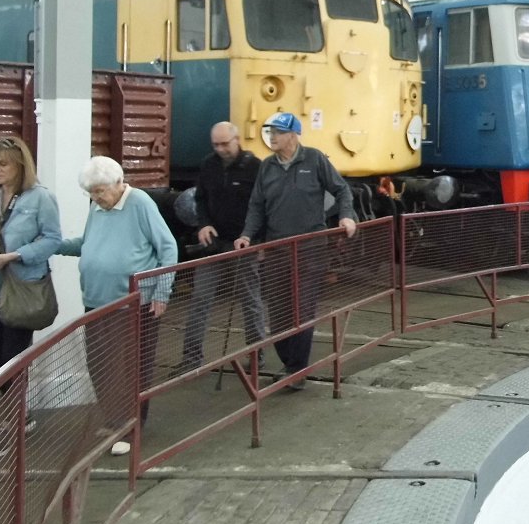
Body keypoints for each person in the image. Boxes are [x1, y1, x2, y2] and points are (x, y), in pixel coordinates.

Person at [59, 156, 177, 455]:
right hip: (96, 301)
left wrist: (162, 292)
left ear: (117, 182)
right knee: (100, 365)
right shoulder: (98, 207)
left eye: (99, 191)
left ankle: (130, 425)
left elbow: (168, 247)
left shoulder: (139, 203)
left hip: (133, 303)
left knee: (130, 367)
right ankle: (113, 419)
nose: (95, 197)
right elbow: (87, 243)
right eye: (91, 192)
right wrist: (54, 245)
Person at [233, 112, 357, 390]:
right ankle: (291, 363)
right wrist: (247, 234)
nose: (272, 137)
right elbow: (256, 206)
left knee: (301, 310)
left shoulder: (314, 160)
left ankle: (296, 370)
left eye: (278, 132)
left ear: (293, 135)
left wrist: (346, 216)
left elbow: (342, 190)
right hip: (277, 249)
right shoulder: (267, 167)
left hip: (309, 248)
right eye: (271, 132)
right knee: (277, 312)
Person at [0, 137, 61, 406]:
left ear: (20, 165)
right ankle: (14, 410)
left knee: (12, 357)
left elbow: (52, 239)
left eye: (2, 164)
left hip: (23, 288)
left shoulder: (41, 198)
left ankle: (18, 418)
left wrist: (15, 256)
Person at [180, 122, 266, 371]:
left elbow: (262, 206)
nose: (220, 149)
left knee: (250, 300)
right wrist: (203, 225)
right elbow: (201, 199)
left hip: (243, 244)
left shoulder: (255, 167)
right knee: (200, 299)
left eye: (225, 144)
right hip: (213, 244)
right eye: (215, 145)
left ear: (237, 140)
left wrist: (255, 238)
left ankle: (257, 356)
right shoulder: (209, 164)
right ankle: (191, 358)